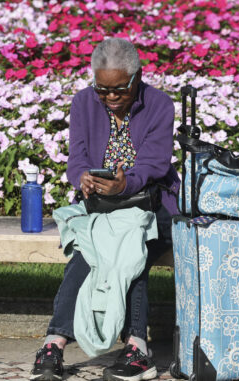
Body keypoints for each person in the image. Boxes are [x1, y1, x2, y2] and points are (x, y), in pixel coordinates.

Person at [30, 38, 179, 381]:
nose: (110, 97)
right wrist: (82, 178)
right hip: (101, 207)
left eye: (119, 90)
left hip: (152, 204)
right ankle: (59, 343)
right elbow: (77, 157)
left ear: (137, 77)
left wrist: (124, 185)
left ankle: (129, 345)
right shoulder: (83, 102)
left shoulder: (159, 105)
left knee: (131, 248)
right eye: (102, 89)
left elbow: (154, 165)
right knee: (94, 248)